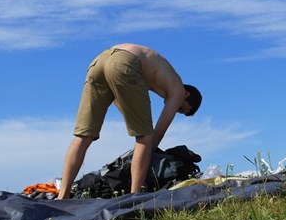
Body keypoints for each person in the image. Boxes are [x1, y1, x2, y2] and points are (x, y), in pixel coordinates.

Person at [57, 43, 202, 199]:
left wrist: (132, 120)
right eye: (181, 109)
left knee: (84, 135)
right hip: (125, 62)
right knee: (145, 137)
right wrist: (144, 151)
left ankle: (62, 197)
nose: (176, 110)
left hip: (99, 61)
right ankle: (135, 198)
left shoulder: (151, 77)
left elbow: (115, 96)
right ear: (187, 95)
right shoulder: (178, 89)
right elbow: (157, 133)